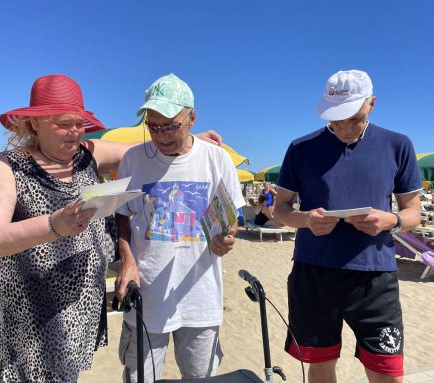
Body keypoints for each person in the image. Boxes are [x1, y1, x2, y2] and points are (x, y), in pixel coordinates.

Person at [0, 74, 222, 382]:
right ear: (34, 123)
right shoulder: (8, 165)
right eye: (63, 124)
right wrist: (54, 225)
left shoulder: (87, 153)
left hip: (79, 309)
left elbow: (142, 150)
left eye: (79, 122)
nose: (75, 131)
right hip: (33, 313)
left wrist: (190, 137)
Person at [273, 70, 422, 383]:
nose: (342, 127)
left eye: (352, 117)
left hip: (375, 275)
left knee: (387, 372)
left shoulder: (398, 145)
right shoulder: (301, 148)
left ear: (372, 104)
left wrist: (390, 221)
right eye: (335, 118)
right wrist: (305, 220)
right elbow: (280, 210)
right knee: (321, 365)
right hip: (314, 272)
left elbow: (413, 212)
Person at [114, 73, 245, 382]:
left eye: (171, 125)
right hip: (145, 295)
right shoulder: (133, 159)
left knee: (201, 378)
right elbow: (121, 213)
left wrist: (227, 238)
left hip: (201, 297)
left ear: (192, 118)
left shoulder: (217, 159)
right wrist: (127, 257)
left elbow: (230, 218)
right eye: (153, 126)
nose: (161, 136)